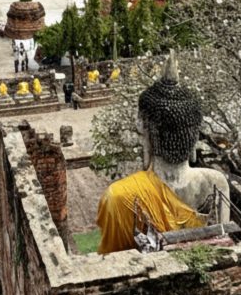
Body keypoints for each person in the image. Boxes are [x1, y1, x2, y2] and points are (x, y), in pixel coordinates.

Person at [95, 53, 230, 254]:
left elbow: (116, 263)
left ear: (144, 127)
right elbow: (220, 249)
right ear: (194, 134)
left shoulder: (119, 197)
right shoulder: (215, 183)